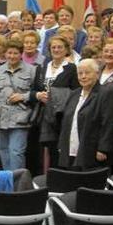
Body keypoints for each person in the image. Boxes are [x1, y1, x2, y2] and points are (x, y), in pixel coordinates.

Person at [57, 59, 113, 170]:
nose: (83, 76)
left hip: (92, 151)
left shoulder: (106, 93)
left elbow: (109, 123)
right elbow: (65, 121)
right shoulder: (74, 94)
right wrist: (62, 145)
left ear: (97, 74)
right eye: (80, 73)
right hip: (71, 148)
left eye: (87, 72)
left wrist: (103, 149)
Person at [0, 39, 40, 170]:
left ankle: (17, 183)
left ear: (21, 54)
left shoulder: (32, 70)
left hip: (21, 118)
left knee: (16, 152)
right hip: (0, 118)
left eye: (15, 53)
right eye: (9, 53)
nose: (12, 56)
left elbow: (38, 93)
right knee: (3, 151)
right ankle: (8, 184)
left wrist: (23, 96)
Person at [35, 35, 80, 169]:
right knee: (45, 149)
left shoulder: (72, 68)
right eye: (53, 47)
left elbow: (76, 92)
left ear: (66, 49)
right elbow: (35, 89)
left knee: (59, 149)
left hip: (61, 115)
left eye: (60, 47)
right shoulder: (42, 67)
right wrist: (38, 95)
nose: (56, 49)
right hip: (44, 114)